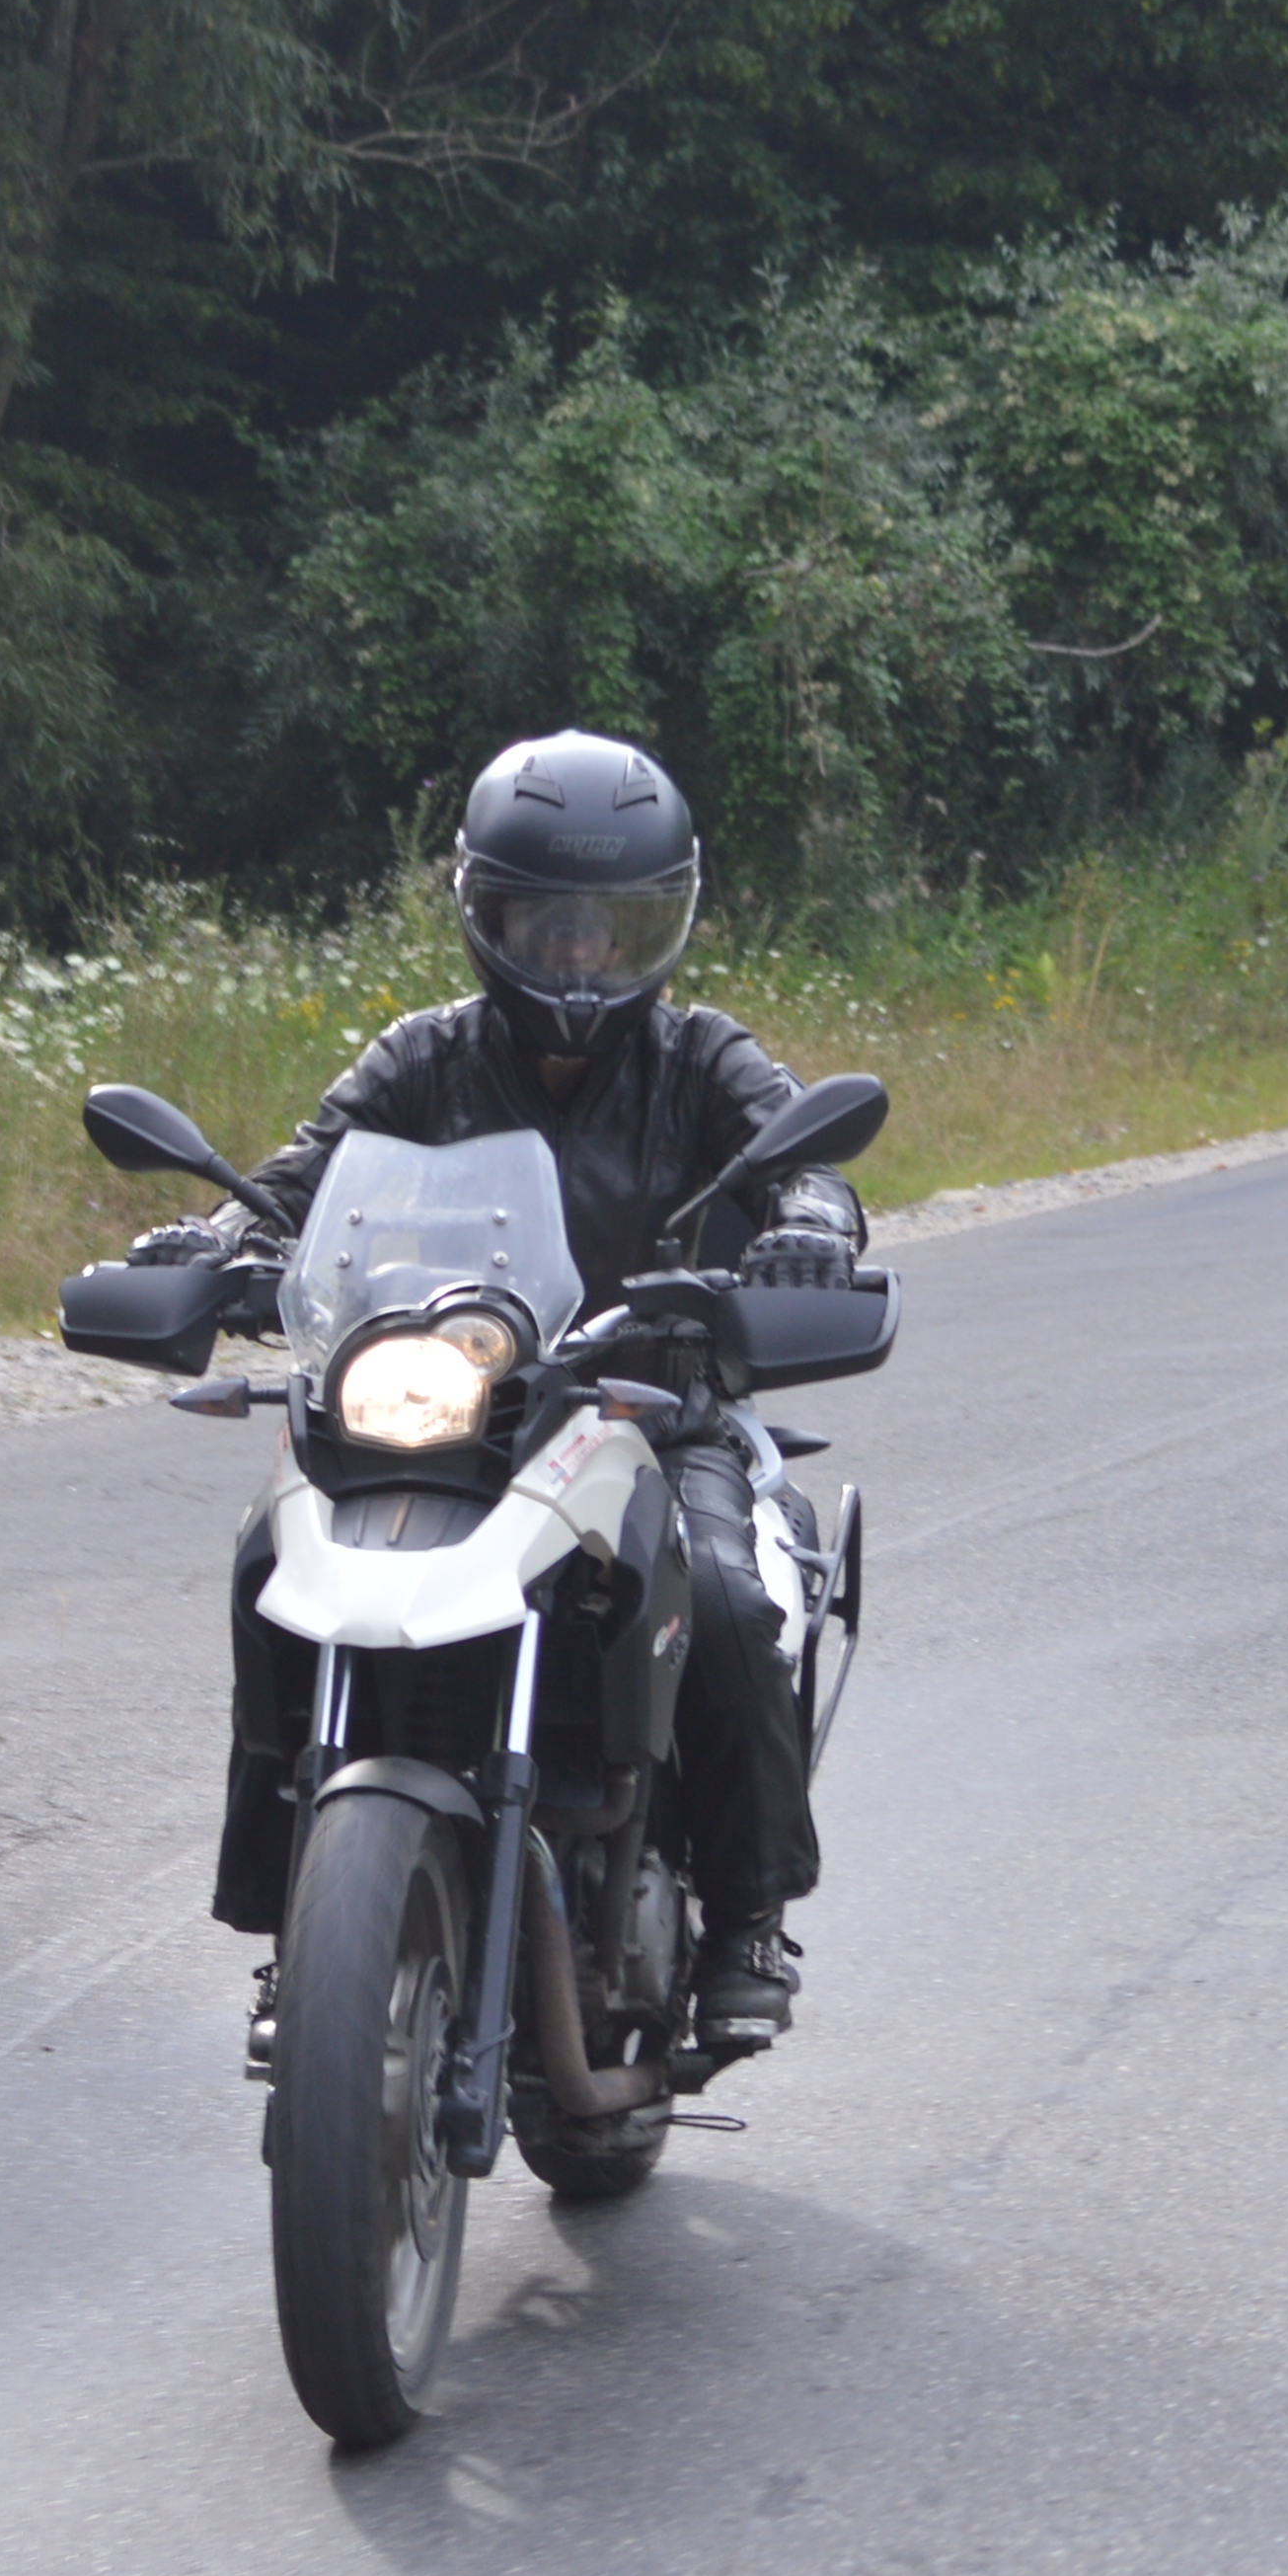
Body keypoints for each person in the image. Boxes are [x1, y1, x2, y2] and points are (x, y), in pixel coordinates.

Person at [130, 731, 872, 2041]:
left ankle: (749, 1914)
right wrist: (220, 1241)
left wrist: (811, 1217)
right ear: (489, 914)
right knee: (272, 1564)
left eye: (611, 926)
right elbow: (302, 1178)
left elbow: (797, 1151)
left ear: (663, 924)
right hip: (454, 1415)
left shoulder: (699, 1060)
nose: (581, 955)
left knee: (728, 1592)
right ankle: (297, 1925)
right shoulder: (423, 1059)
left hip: (647, 1411)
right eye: (548, 921)